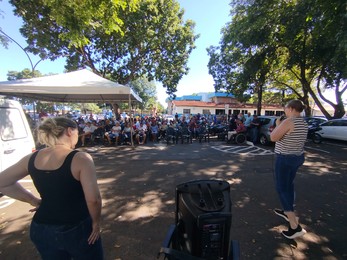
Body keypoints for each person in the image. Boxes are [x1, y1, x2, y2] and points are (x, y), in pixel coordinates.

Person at [0, 117, 104, 259]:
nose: (77, 136)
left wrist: (34, 201)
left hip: (41, 228)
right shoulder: (81, 158)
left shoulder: (31, 158)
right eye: (77, 132)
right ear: (69, 131)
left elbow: (3, 182)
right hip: (76, 227)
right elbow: (94, 200)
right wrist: (96, 223)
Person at [270, 99, 308, 239]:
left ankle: (294, 225)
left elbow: (273, 137)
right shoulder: (303, 122)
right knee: (289, 185)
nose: (284, 111)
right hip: (297, 157)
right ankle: (288, 211)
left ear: (291, 108)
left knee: (281, 188)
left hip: (285, 158)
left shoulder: (288, 121)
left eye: (286, 108)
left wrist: (278, 125)